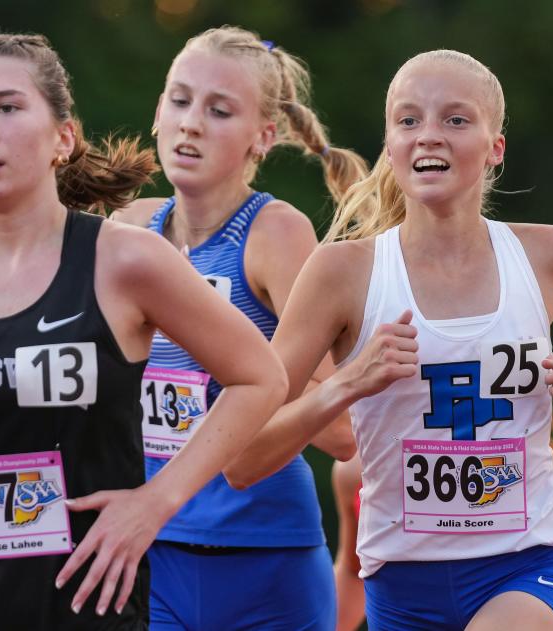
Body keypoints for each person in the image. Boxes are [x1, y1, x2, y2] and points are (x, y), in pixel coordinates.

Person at [0, 32, 288, 630]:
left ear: (62, 137)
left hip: (87, 612)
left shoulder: (127, 261)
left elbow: (261, 378)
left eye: (6, 107)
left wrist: (155, 502)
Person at [224, 49, 553, 630]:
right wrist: (345, 385)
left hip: (526, 566)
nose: (429, 136)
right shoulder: (342, 273)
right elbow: (243, 458)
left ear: (495, 148)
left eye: (455, 119)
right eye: (408, 120)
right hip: (401, 584)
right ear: (390, 146)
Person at [110, 25, 365, 631]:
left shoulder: (274, 233)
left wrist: (243, 370)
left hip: (265, 563)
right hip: (149, 553)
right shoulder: (128, 230)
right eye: (179, 99)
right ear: (156, 113)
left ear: (263, 137)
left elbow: (342, 433)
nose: (191, 123)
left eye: (219, 110)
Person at [330, 416, 553, 631]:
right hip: (404, 607)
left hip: (512, 596)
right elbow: (354, 574)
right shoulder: (354, 470)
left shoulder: (514, 452)